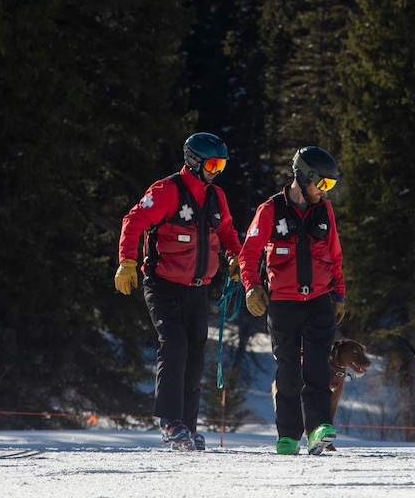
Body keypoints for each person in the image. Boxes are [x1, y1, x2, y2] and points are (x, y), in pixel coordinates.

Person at [114, 132, 241, 451]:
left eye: (222, 165)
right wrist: (127, 262)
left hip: (198, 289)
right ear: (194, 161)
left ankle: (187, 427)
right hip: (163, 285)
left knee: (196, 353)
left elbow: (225, 230)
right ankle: (170, 423)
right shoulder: (167, 190)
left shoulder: (216, 196)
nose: (217, 171)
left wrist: (235, 256)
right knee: (174, 344)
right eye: (213, 164)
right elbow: (134, 220)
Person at [239, 145, 346, 456]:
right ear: (304, 177)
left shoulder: (325, 212)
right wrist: (251, 286)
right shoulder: (270, 210)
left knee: (317, 368)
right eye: (323, 184)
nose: (325, 192)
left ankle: (318, 429)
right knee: (288, 370)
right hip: (284, 304)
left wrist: (339, 293)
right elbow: (249, 253)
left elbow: (335, 255)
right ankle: (288, 436)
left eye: (331, 186)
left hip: (319, 301)